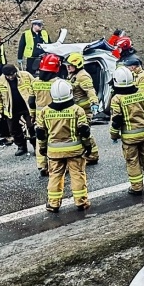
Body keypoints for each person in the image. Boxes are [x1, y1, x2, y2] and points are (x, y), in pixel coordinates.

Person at [36, 79, 92, 212]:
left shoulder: (44, 112)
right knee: (77, 174)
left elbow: (40, 133)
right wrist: (88, 146)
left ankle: (54, 204)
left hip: (54, 152)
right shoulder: (77, 110)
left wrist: (43, 147)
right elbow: (84, 131)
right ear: (70, 92)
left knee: (55, 176)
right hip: (75, 151)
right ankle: (81, 202)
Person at [110, 66, 144, 195]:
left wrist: (114, 135)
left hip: (130, 138)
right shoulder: (142, 93)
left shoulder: (117, 99)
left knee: (133, 161)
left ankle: (137, 188)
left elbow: (116, 120)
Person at [29, 53, 63, 176]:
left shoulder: (34, 82)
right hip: (55, 117)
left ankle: (42, 166)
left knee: (41, 140)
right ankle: (56, 165)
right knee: (56, 140)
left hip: (39, 117)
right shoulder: (58, 83)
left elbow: (31, 101)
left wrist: (32, 114)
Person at [0, 64, 35, 157]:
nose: (11, 77)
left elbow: (35, 88)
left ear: (16, 72)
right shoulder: (0, 81)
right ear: (4, 75)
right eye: (8, 75)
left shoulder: (26, 76)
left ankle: (36, 146)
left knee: (32, 127)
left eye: (12, 74)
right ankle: (21, 147)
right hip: (11, 109)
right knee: (14, 130)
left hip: (27, 107)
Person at [65, 52, 100, 164]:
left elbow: (90, 91)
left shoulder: (82, 76)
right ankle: (87, 153)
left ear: (78, 65)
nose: (68, 67)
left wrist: (94, 103)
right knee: (80, 133)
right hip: (77, 110)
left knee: (85, 133)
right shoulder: (73, 75)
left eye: (70, 65)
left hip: (84, 111)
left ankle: (93, 155)